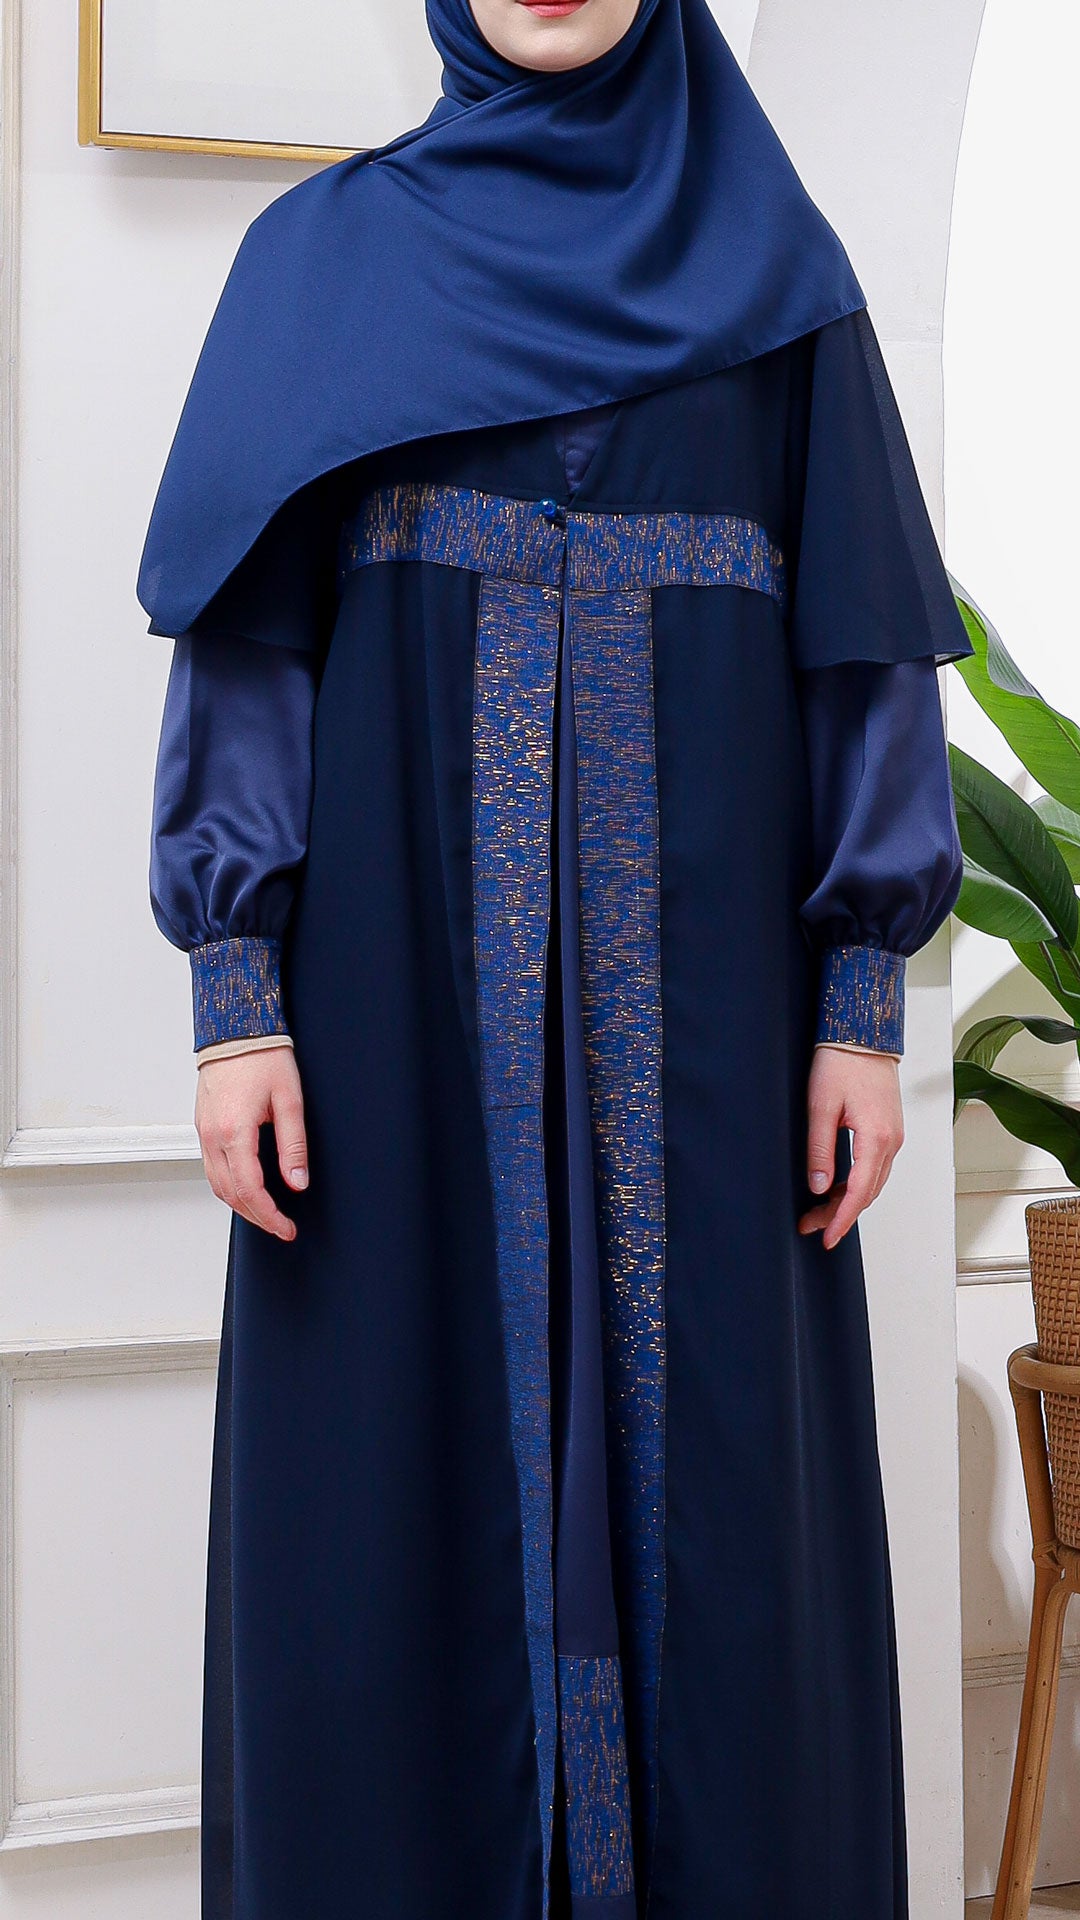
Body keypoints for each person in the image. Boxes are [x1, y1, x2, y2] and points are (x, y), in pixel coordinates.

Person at [141, 2, 972, 1915]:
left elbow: (864, 663)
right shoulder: (322, 263)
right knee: (394, 1490)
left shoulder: (783, 288)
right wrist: (234, 999)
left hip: (724, 1031)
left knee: (729, 1517)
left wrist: (860, 1005)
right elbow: (246, 660)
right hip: (388, 1020)